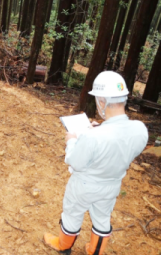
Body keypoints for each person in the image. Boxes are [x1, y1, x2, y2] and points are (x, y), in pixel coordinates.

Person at [43, 71, 148, 255]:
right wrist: (102, 129)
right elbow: (121, 143)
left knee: (72, 213)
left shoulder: (93, 137)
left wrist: (72, 140)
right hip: (112, 185)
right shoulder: (140, 130)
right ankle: (94, 251)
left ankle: (63, 246)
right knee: (102, 217)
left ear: (102, 101)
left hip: (84, 186)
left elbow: (75, 162)